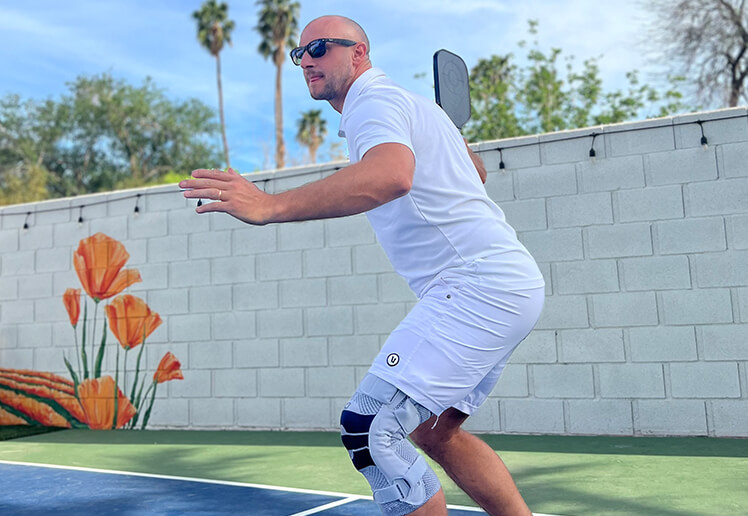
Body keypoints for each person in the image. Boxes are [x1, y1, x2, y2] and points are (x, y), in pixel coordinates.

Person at [180, 15, 545, 516]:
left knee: (370, 428)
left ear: (360, 53)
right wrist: (447, 136)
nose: (307, 60)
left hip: (477, 285)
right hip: (509, 284)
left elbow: (391, 177)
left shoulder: (372, 99)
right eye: (300, 54)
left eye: (321, 48)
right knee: (434, 433)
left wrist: (269, 206)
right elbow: (474, 174)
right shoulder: (412, 108)